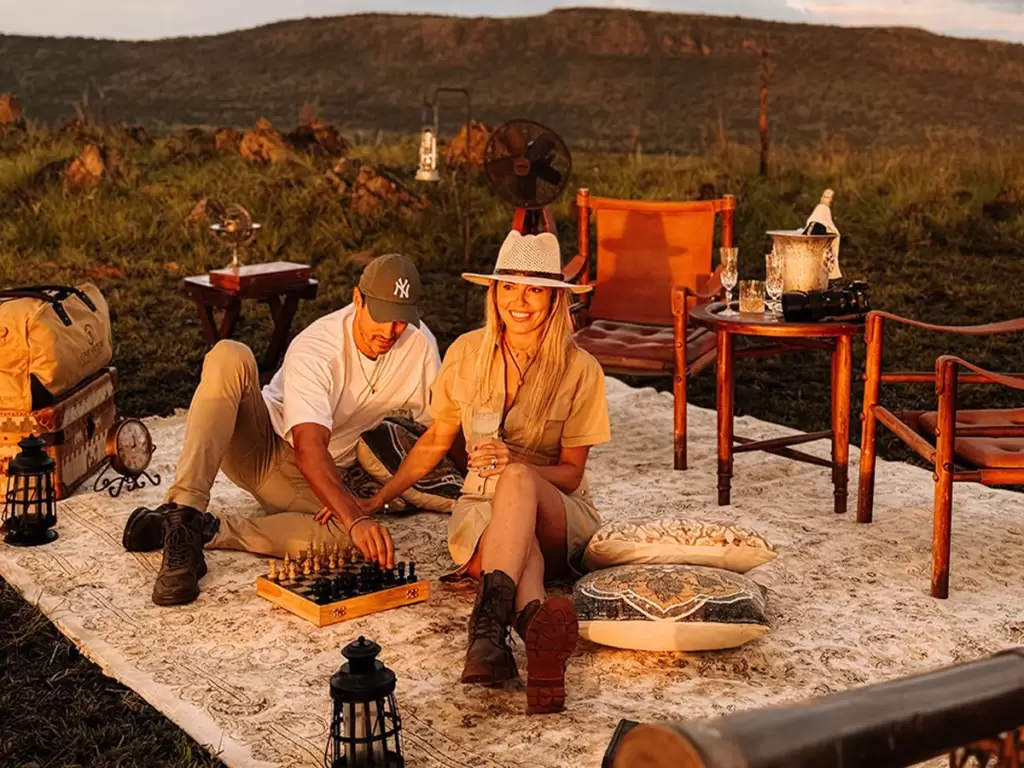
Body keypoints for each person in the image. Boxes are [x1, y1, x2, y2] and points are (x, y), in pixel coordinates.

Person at [358, 230, 611, 715]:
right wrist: (378, 497)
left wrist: (515, 463)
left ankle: (485, 632)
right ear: (494, 293)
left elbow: (572, 475)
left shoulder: (582, 370)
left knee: (517, 482)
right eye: (509, 286)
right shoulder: (466, 354)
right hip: (481, 508)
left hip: (558, 513)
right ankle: (534, 632)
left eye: (535, 289)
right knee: (515, 546)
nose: (521, 301)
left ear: (555, 300)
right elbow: (435, 439)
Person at [122, 254, 441, 607]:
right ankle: (184, 514)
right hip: (261, 446)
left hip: (313, 478)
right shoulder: (319, 347)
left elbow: (442, 426)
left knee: (354, 539)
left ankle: (206, 531)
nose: (389, 332)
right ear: (357, 299)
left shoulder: (419, 347)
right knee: (230, 355)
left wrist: (368, 506)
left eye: (400, 321)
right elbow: (309, 448)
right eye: (380, 317)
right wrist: (352, 514)